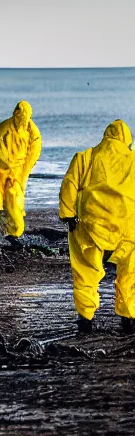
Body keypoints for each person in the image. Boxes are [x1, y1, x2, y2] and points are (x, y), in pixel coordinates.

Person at [59, 119, 135, 334]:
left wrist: (67, 215)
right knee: (130, 275)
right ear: (127, 140)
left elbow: (70, 184)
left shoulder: (86, 157)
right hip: (128, 229)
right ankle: (128, 318)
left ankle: (85, 319)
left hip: (91, 227)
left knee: (85, 273)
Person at [0, 101, 42, 247]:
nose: (21, 116)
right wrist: (11, 166)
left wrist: (22, 175)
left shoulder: (33, 132)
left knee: (15, 199)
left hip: (15, 172)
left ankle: (13, 234)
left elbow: (33, 154)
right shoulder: (3, 130)